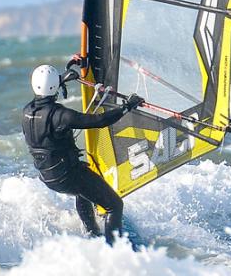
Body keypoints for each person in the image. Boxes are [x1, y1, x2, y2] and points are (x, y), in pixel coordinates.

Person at [22, 63, 143, 244]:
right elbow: (100, 120)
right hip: (67, 176)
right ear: (54, 86)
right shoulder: (61, 115)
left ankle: (93, 233)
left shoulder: (27, 111)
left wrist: (62, 79)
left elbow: (48, 92)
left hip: (48, 176)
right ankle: (115, 251)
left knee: (83, 190)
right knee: (114, 206)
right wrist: (127, 107)